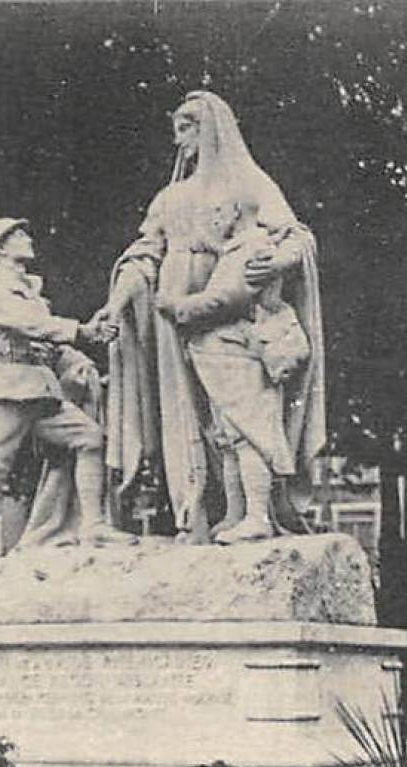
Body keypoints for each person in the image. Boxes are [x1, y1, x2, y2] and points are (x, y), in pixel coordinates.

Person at [102, 91, 326, 543]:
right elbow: (143, 255)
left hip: (227, 307)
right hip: (176, 321)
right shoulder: (171, 197)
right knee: (203, 419)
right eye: (178, 129)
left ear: (211, 129)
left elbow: (297, 238)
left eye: (187, 128)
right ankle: (208, 512)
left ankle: (254, 514)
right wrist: (118, 302)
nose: (180, 139)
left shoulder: (249, 184)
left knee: (243, 413)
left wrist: (277, 264)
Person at [0, 217, 129, 578]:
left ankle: (93, 525)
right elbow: (32, 326)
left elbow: (48, 346)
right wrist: (82, 331)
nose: (27, 238)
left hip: (40, 390)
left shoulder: (32, 292)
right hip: (3, 389)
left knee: (89, 438)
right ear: (1, 249)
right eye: (19, 235)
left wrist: (81, 363)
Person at [156, 197, 308, 542]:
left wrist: (176, 307)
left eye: (216, 212)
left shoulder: (252, 245)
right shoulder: (236, 247)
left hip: (240, 349)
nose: (212, 220)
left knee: (248, 436)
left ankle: (257, 516)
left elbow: (228, 298)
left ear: (236, 213)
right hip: (223, 352)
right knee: (228, 438)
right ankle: (236, 513)